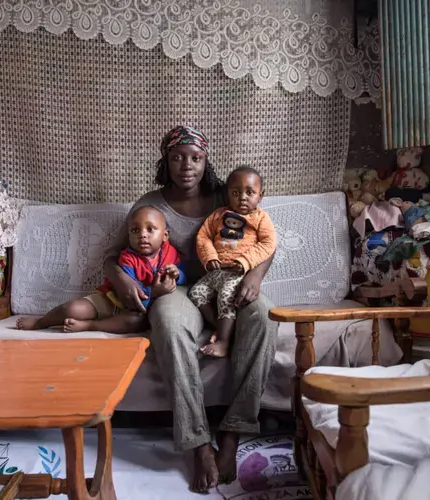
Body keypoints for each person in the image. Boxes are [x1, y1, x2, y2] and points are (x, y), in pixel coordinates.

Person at [102, 126, 278, 492]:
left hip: (230, 282)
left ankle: (233, 433)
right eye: (177, 157)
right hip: (177, 290)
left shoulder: (225, 197)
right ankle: (198, 442)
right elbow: (112, 257)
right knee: (166, 322)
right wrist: (124, 281)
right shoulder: (150, 203)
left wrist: (256, 278)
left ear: (205, 162)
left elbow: (266, 242)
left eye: (195, 158)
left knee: (263, 316)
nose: (186, 166)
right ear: (165, 162)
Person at [16, 205, 184, 333]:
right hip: (111, 299)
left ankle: (90, 326)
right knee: (71, 309)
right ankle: (41, 322)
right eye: (135, 230)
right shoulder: (127, 258)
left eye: (150, 229)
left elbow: (184, 275)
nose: (143, 235)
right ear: (128, 236)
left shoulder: (170, 254)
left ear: (165, 236)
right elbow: (129, 296)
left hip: (136, 312)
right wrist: (153, 292)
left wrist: (177, 275)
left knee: (134, 322)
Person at [189, 167, 276, 357]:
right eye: (236, 193)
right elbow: (203, 237)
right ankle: (219, 325)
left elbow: (269, 243)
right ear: (227, 194)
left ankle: (223, 342)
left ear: (261, 195)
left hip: (238, 274)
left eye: (250, 192)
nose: (243, 197)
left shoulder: (260, 218)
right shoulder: (218, 215)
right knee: (195, 293)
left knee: (226, 298)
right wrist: (209, 257)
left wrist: (246, 261)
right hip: (217, 271)